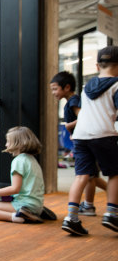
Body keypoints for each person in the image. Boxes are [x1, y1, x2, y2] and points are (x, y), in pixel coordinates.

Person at [61, 46, 118, 236]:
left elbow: (90, 113)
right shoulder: (117, 84)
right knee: (114, 174)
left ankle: (71, 218)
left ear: (97, 65)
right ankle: (112, 213)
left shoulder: (86, 88)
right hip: (103, 134)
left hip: (81, 136)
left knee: (81, 176)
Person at [50, 71, 107, 216]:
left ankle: (89, 205)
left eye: (55, 89)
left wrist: (69, 126)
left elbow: (83, 116)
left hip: (84, 143)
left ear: (67, 87)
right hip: (84, 141)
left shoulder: (74, 100)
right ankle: (89, 205)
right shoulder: (72, 101)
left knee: (88, 176)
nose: (53, 92)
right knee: (91, 176)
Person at [0, 126, 45, 223]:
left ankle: (19, 217)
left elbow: (15, 189)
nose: (6, 144)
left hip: (23, 204)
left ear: (18, 143)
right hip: (37, 204)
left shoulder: (18, 161)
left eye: (8, 141)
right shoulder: (32, 160)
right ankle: (34, 212)